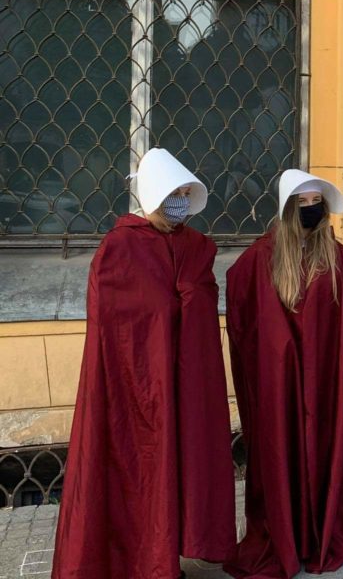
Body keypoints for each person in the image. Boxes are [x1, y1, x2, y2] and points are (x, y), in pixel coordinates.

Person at [52, 148, 235, 579]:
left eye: (186, 194)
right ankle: (134, 561)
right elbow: (113, 323)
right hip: (132, 385)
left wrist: (187, 301)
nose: (180, 202)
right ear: (153, 195)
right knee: (135, 470)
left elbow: (202, 303)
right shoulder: (119, 247)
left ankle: (165, 557)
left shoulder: (196, 247)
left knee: (180, 465)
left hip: (184, 380)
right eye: (173, 193)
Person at [224, 170, 343, 578]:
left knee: (321, 449)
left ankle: (317, 532)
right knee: (281, 453)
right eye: (301, 203)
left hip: (324, 382)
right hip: (279, 384)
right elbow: (243, 314)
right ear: (286, 209)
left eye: (316, 201)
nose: (311, 209)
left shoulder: (338, 258)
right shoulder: (261, 258)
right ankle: (283, 535)